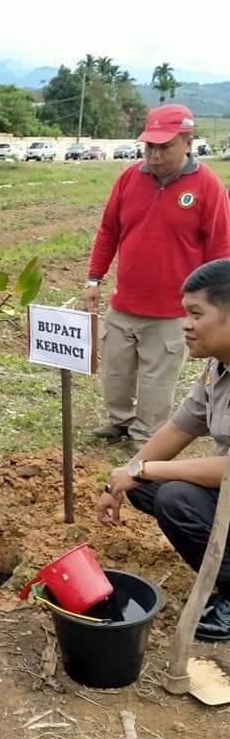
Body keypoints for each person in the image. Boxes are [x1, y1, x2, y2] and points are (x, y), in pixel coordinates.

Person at [99, 259, 230, 642]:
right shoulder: (216, 369)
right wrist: (120, 481)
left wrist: (145, 471)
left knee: (174, 495)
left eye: (195, 314)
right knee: (145, 483)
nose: (185, 324)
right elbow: (179, 427)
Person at [84, 103, 230, 447]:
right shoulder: (129, 179)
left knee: (157, 379)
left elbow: (221, 251)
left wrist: (210, 308)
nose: (155, 154)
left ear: (187, 142)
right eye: (150, 146)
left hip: (171, 310)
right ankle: (120, 421)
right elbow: (108, 231)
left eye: (165, 146)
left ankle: (145, 435)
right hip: (125, 302)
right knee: (116, 372)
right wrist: (94, 278)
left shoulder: (207, 187)